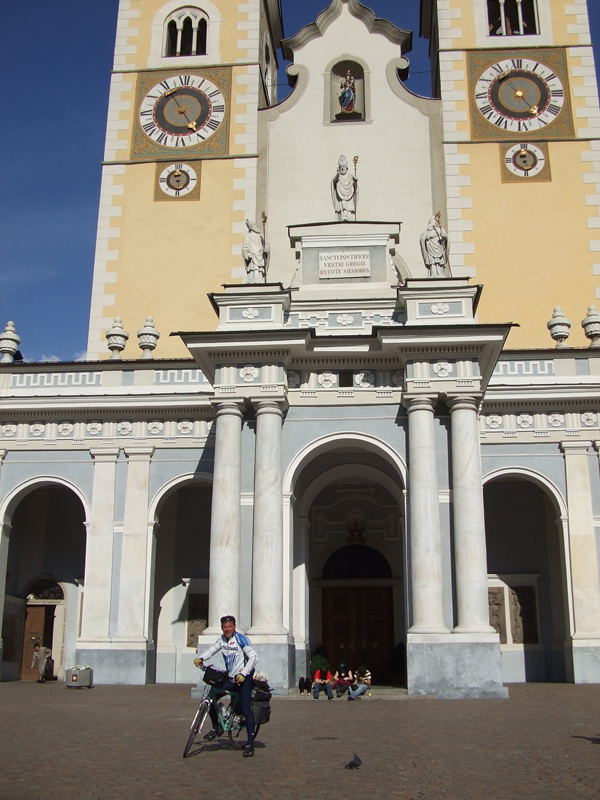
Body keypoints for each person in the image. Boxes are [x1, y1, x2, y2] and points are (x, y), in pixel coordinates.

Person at [194, 614, 258, 758]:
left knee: (247, 710)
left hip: (243, 679)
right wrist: (201, 658)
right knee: (210, 696)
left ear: (234, 627)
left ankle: (250, 744)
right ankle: (216, 727)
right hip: (230, 678)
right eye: (224, 627)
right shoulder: (222, 640)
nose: (227, 629)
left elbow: (254, 657)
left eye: (229, 626)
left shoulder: (241, 639)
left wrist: (244, 673)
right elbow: (212, 650)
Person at [420, 212, 449, 277]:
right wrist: (427, 236)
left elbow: (446, 239)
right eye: (431, 221)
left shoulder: (441, 231)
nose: (432, 223)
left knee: (439, 262)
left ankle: (440, 273)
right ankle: (433, 273)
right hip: (431, 249)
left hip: (439, 249)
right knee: (432, 262)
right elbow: (422, 238)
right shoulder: (427, 232)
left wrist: (445, 237)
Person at [331, 155, 358, 221]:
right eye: (341, 167)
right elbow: (334, 182)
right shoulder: (338, 176)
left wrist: (355, 181)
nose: (342, 168)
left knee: (348, 209)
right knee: (343, 207)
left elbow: (355, 188)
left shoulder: (350, 176)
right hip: (341, 198)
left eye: (344, 167)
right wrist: (337, 175)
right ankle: (343, 217)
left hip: (349, 198)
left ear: (347, 168)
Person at [242, 219, 269, 284]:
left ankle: (259, 279)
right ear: (251, 228)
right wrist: (246, 255)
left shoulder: (261, 236)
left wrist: (265, 249)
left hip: (260, 256)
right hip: (253, 256)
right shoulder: (248, 237)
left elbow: (266, 245)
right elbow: (245, 248)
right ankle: (253, 279)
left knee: (259, 270)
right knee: (254, 269)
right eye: (254, 226)